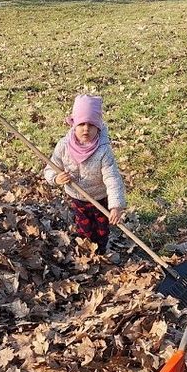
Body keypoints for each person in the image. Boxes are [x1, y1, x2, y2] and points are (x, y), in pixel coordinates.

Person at [43, 94, 126, 255]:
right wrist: (56, 178)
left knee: (102, 230)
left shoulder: (103, 150)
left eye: (91, 125)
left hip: (100, 197)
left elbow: (112, 178)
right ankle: (86, 253)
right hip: (78, 197)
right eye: (81, 124)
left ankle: (100, 253)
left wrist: (116, 206)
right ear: (74, 124)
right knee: (84, 228)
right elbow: (50, 168)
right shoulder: (64, 146)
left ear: (98, 127)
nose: (86, 129)